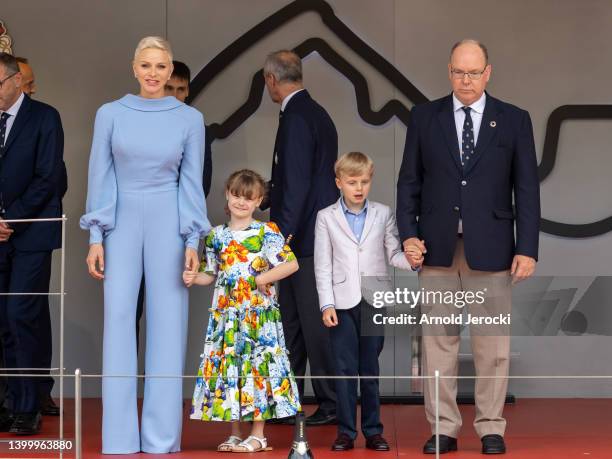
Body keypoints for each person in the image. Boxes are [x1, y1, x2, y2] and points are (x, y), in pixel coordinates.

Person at [396, 39, 540, 455]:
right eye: (459, 72)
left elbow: (526, 189)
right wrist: (408, 234)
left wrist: (527, 247)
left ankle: (491, 426)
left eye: (474, 73)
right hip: (436, 248)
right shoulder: (424, 117)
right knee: (438, 343)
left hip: (492, 248)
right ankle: (443, 429)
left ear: (488, 73)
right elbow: (409, 182)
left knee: (492, 345)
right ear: (448, 71)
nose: (466, 80)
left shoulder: (513, 120)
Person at [80, 36, 209, 454]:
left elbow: (191, 183)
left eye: (161, 67)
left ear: (171, 72)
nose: (153, 74)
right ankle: (118, 438)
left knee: (169, 327)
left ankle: (161, 438)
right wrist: (96, 236)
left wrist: (194, 237)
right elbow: (100, 175)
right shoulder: (110, 114)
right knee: (118, 322)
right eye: (146, 66)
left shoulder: (190, 119)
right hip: (120, 224)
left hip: (169, 223)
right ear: (134, 68)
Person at [186, 169, 301, 452]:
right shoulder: (216, 236)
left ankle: (259, 435)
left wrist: (263, 278)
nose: (241, 202)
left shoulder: (266, 231)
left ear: (259, 200)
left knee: (256, 369)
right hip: (226, 318)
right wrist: (191, 277)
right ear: (227, 194)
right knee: (232, 370)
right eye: (236, 195)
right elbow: (209, 273)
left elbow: (291, 264)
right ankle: (236, 432)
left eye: (248, 198)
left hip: (257, 317)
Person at [261, 49, 338, 426]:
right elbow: (298, 178)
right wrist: (266, 195)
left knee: (307, 324)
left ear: (271, 80)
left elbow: (298, 186)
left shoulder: (295, 117)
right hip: (309, 238)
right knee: (294, 322)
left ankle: (329, 404)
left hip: (303, 242)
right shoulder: (315, 113)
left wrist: (279, 240)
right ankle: (289, 402)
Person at [315, 152, 411, 451]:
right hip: (341, 302)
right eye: (352, 182)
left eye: (365, 181)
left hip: (374, 299)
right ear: (338, 182)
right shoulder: (325, 217)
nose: (359, 188)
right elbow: (323, 265)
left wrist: (414, 259)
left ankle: (373, 431)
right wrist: (326, 304)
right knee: (344, 370)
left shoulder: (383, 213)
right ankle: (345, 432)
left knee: (370, 368)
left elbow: (394, 254)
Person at [0, 52, 65, 435]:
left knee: (21, 315)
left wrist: (10, 219)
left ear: (14, 81)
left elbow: (49, 177)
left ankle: (28, 406)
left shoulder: (45, 117)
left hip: (30, 235)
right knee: (1, 322)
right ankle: (7, 403)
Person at [132, 60, 214, 353]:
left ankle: (164, 391)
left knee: (168, 312)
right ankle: (126, 390)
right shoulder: (130, 119)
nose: (175, 95)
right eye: (170, 88)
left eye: (181, 90)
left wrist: (188, 232)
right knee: (129, 310)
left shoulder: (193, 125)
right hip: (132, 229)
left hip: (176, 231)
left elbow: (199, 185)